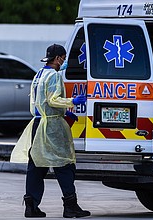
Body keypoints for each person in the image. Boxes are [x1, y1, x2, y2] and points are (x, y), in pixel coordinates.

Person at [10, 44, 91, 218]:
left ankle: (30, 206)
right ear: (58, 58)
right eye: (63, 57)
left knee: (37, 166)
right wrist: (72, 102)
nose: (64, 61)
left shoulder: (39, 74)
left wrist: (63, 111)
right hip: (52, 127)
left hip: (38, 124)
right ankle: (70, 206)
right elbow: (53, 99)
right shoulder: (54, 76)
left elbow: (39, 101)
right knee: (64, 164)